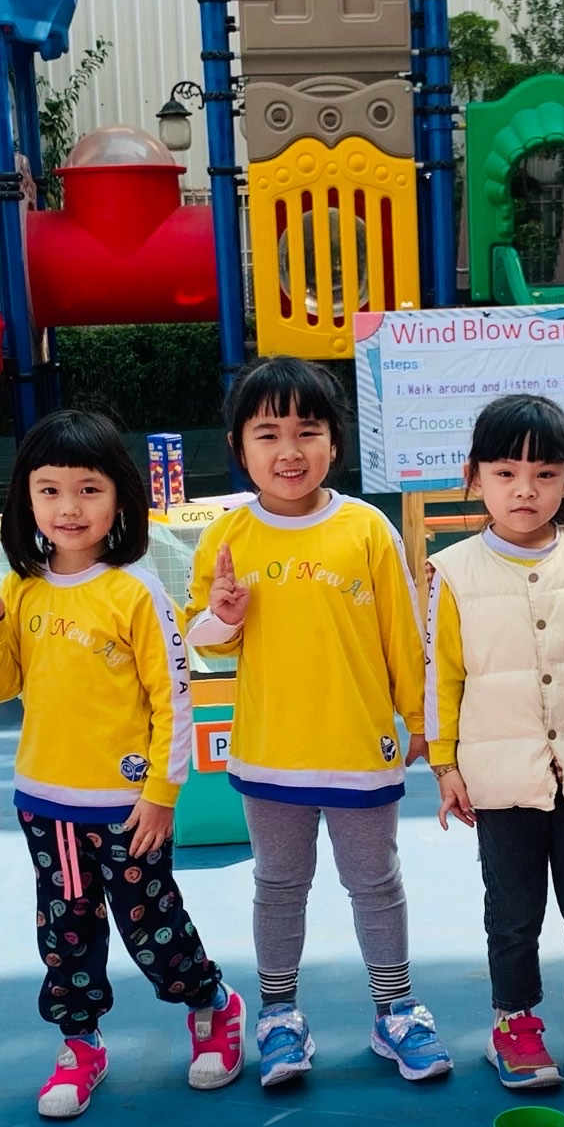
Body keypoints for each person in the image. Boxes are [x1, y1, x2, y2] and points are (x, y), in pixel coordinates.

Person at [0, 410, 247, 1119]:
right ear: (26, 501)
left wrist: (161, 792)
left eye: (88, 489)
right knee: (65, 933)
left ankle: (213, 1004)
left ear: (120, 496)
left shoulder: (136, 591)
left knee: (152, 926)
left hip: (129, 808)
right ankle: (79, 1041)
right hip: (46, 805)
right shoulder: (21, 588)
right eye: (50, 490)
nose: (69, 507)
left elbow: (174, 699)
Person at [184, 357, 444, 1087]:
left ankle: (395, 1010)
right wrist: (222, 615)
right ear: (239, 446)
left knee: (375, 882)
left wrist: (421, 719)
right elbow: (202, 636)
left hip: (360, 748)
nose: (289, 450)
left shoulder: (366, 527)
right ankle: (278, 1014)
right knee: (278, 884)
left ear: (335, 440)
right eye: (268, 433)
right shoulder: (228, 534)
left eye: (308, 430)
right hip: (270, 752)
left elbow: (403, 633)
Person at [425, 394, 564, 1090]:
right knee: (513, 914)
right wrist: (444, 762)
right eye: (505, 473)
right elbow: (443, 675)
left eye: (545, 474)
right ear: (475, 476)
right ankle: (514, 1024)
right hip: (501, 778)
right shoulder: (453, 570)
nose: (525, 490)